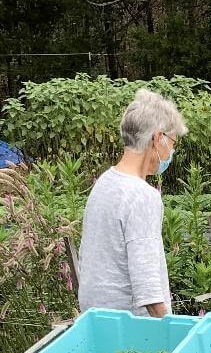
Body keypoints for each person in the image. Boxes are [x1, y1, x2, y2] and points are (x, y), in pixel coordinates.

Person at [77, 88, 187, 318]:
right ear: (158, 138)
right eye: (172, 143)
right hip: (134, 328)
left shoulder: (104, 183)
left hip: (97, 319)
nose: (171, 152)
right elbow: (148, 287)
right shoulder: (142, 195)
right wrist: (170, 331)